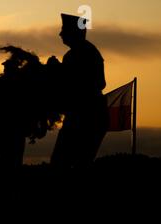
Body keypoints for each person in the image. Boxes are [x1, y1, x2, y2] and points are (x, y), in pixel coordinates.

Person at [50, 13, 109, 168]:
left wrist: (59, 72)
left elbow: (97, 83)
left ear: (74, 32)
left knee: (64, 163)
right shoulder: (79, 53)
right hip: (87, 115)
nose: (60, 33)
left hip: (86, 117)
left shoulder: (81, 53)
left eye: (64, 29)